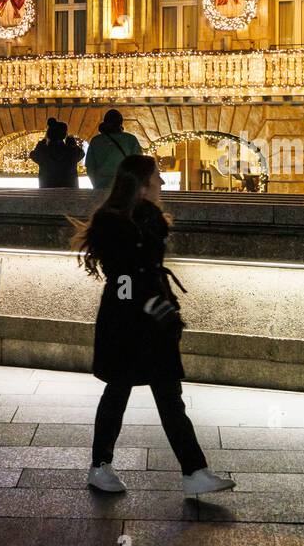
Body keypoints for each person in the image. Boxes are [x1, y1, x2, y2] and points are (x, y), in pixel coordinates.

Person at [73, 154, 235, 498]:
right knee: (118, 391)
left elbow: (142, 270)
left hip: (152, 322)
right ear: (141, 185)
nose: (163, 183)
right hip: (127, 323)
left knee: (168, 396)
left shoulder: (148, 220)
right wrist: (149, 303)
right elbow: (123, 277)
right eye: (157, 177)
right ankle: (101, 466)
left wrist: (160, 306)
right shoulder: (113, 222)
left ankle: (193, 470)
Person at [85, 109, 143, 190]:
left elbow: (90, 166)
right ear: (121, 123)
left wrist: (96, 183)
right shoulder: (130, 139)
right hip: (124, 185)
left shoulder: (96, 141)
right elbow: (138, 164)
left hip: (102, 185)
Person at [30, 118, 84, 189]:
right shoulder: (71, 151)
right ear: (64, 135)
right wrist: (73, 144)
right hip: (70, 192)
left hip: (47, 191)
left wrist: (42, 142)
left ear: (49, 135)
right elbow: (81, 154)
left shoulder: (43, 152)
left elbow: (33, 154)